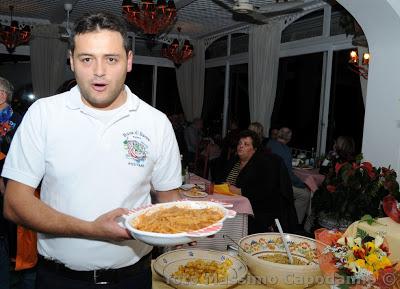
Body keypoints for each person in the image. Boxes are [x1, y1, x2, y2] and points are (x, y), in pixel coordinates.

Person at [2, 12, 181, 289]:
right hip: (59, 280)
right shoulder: (44, 114)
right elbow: (14, 204)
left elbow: (170, 199)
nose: (99, 71)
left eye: (111, 59)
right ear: (72, 61)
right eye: (87, 59)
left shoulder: (156, 122)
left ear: (129, 61)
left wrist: (182, 225)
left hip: (133, 279)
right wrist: (92, 230)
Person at [216, 130, 297, 234]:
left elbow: (264, 191)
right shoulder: (234, 161)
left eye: (246, 144)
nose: (241, 146)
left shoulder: (260, 165)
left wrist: (239, 191)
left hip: (251, 211)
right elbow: (220, 179)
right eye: (240, 143)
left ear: (254, 149)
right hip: (228, 202)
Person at [0, 76, 25, 289]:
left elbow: (16, 153)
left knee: (11, 223)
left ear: (1, 95)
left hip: (9, 178)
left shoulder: (17, 120)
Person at [266, 127, 311, 229]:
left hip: (268, 181)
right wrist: (302, 184)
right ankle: (294, 223)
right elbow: (288, 175)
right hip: (278, 186)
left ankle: (287, 217)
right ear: (289, 138)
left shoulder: (269, 144)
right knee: (305, 194)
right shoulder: (285, 150)